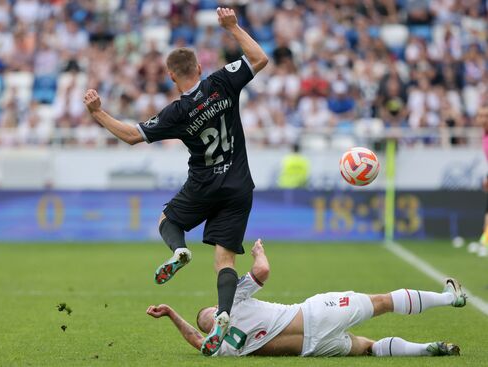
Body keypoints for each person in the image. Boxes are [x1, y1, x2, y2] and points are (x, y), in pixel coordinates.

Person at [83, 7, 268, 356]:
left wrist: (98, 113)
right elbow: (259, 58)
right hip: (239, 184)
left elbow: (131, 136)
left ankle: (178, 249)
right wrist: (233, 27)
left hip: (203, 183)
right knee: (225, 260)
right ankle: (224, 313)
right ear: (198, 68)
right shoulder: (221, 81)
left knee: (168, 220)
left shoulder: (176, 112)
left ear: (171, 76)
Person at [147, 239, 466, 358]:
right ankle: (449, 298)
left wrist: (172, 314)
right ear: (218, 310)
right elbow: (263, 271)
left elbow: (198, 342)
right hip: (315, 314)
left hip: (313, 349)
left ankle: (428, 349)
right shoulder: (233, 301)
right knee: (381, 302)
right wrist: (260, 252)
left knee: (369, 347)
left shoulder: (225, 348)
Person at [469, 107, 488, 257]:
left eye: (485, 116)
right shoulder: (484, 134)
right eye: (480, 115)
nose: (481, 118)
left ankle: (485, 243)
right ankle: (484, 242)